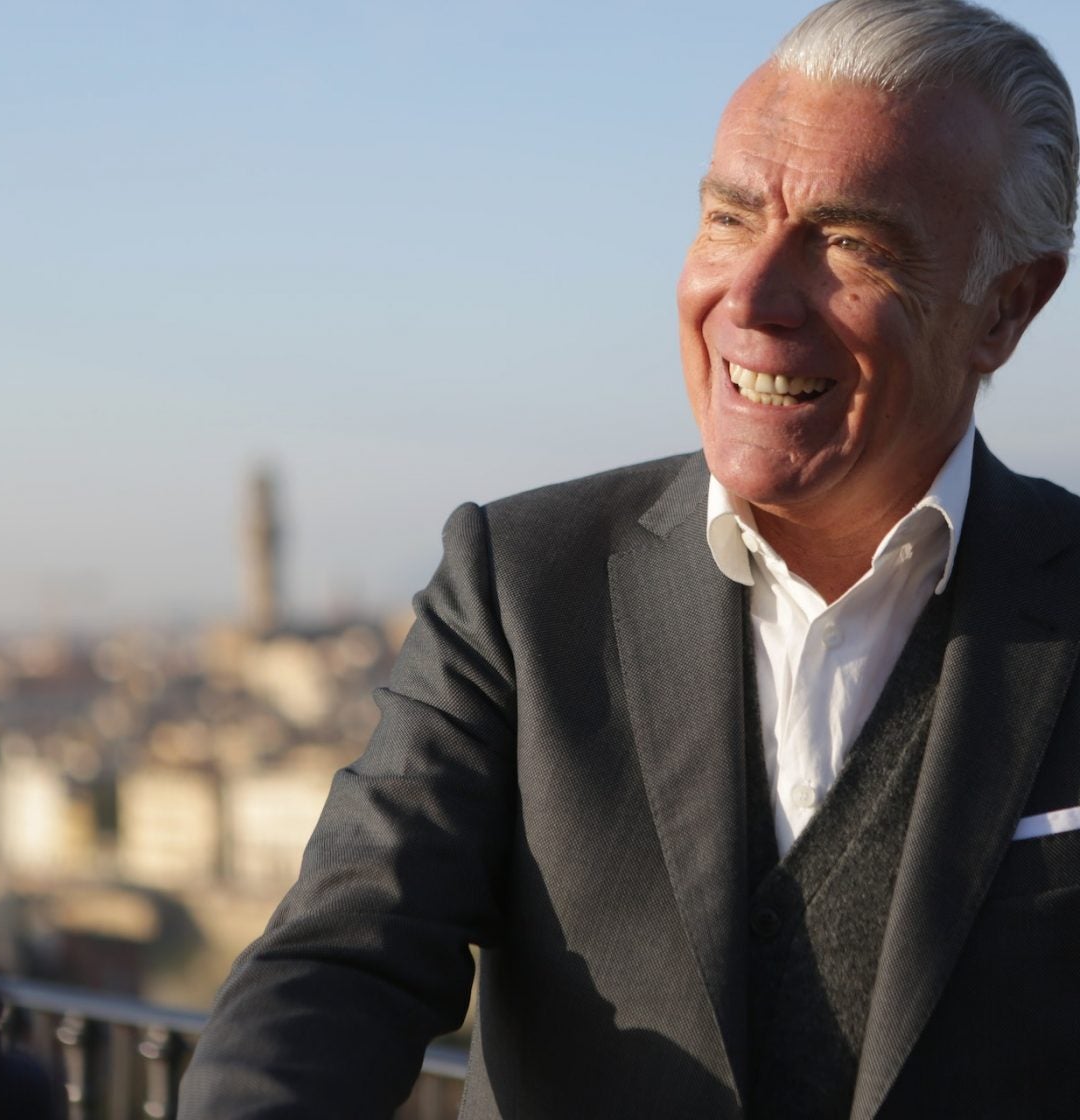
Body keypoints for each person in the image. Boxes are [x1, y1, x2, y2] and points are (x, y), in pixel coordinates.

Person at [178, 1, 1080, 1116]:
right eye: (729, 218)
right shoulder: (521, 584)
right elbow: (342, 959)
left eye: (849, 242)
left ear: (1006, 308)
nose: (751, 298)